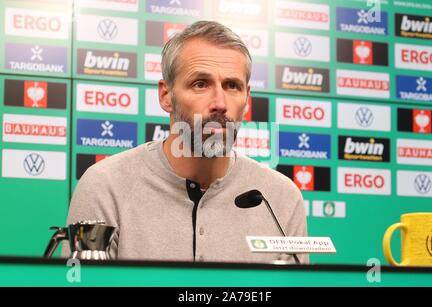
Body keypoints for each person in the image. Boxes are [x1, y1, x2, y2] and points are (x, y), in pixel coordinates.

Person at [63, 21, 308, 264]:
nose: (220, 103)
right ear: (166, 96)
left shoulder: (280, 198)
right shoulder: (105, 186)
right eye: (200, 84)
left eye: (232, 86)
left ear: (247, 98)